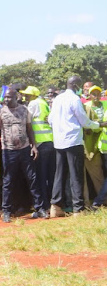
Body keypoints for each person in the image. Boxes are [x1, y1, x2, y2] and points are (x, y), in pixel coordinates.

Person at [48, 76, 107, 217]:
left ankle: (55, 207)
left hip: (59, 142)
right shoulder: (74, 99)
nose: (81, 88)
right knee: (76, 175)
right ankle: (78, 209)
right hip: (73, 141)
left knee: (59, 175)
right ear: (75, 85)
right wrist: (99, 125)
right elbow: (84, 122)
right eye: (80, 85)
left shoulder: (57, 99)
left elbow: (50, 120)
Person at [0, 88, 46, 222]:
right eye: (5, 98)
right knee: (8, 181)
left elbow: (30, 129)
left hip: (25, 149)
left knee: (32, 179)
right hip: (8, 151)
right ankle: (7, 211)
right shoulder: (0, 112)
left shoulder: (24, 110)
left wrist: (34, 146)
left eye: (9, 97)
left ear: (16, 97)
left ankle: (40, 208)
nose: (6, 99)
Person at [21, 86, 55, 212]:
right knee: (50, 176)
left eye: (28, 95)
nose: (26, 97)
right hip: (50, 141)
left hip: (40, 143)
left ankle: (44, 206)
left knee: (41, 176)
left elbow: (26, 120)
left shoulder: (34, 104)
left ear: (34, 95)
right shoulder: (43, 102)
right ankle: (53, 204)